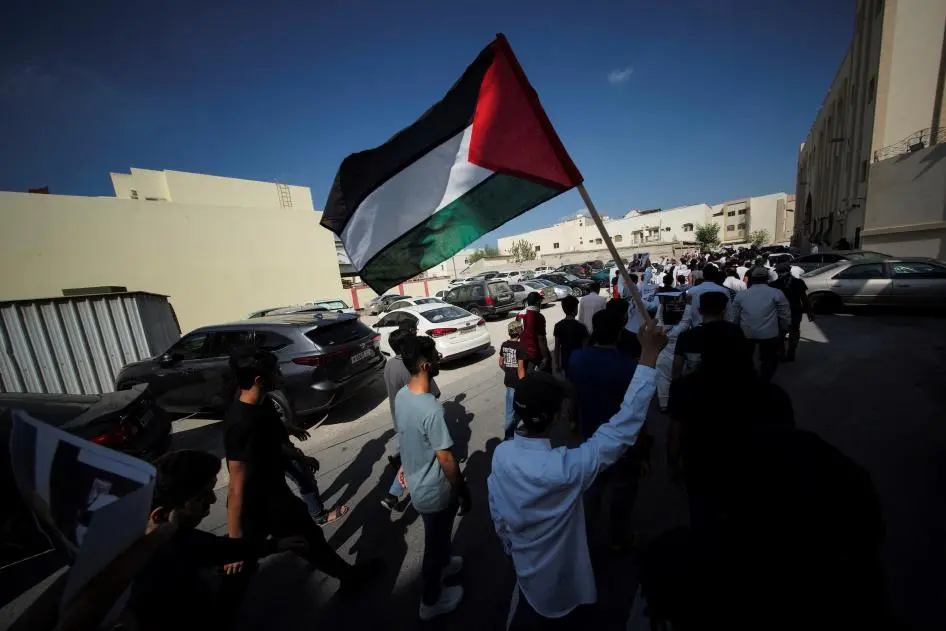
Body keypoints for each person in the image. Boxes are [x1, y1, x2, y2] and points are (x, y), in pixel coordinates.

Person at [488, 322, 666, 628]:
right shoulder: (566, 468)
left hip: (525, 576)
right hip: (562, 589)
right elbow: (621, 430)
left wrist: (512, 550)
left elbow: (499, 517)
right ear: (557, 417)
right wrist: (649, 356)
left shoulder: (501, 455)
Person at [223, 347, 372, 593]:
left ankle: (348, 577)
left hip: (276, 495)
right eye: (275, 370)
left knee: (310, 538)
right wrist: (234, 544)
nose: (280, 374)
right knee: (239, 568)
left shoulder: (263, 405)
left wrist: (300, 457)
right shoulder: (241, 421)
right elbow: (236, 486)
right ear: (259, 379)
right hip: (255, 505)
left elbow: (272, 442)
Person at [125, 450, 308, 631]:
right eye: (201, 497)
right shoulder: (154, 570)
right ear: (160, 516)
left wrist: (275, 545)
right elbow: (210, 548)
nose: (212, 500)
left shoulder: (166, 538)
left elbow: (216, 547)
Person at [396, 335, 472, 620]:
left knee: (439, 540)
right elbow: (447, 458)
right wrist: (463, 491)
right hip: (434, 491)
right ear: (426, 365)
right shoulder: (431, 409)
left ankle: (444, 563)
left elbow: (405, 435)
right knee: (435, 542)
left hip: (418, 484)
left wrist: (405, 464)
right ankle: (431, 601)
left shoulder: (404, 396)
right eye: (436, 356)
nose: (440, 358)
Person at [568, 309, 652, 552]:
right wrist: (643, 450)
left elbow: (573, 396)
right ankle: (618, 538)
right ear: (620, 331)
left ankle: (584, 540)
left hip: (590, 437)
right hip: (623, 443)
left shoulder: (577, 358)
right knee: (623, 491)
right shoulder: (629, 368)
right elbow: (638, 413)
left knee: (593, 490)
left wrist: (574, 422)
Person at [380, 328, 441, 510]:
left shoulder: (390, 364)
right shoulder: (413, 368)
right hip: (417, 420)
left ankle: (392, 494)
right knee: (417, 459)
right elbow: (433, 393)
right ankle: (395, 493)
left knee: (409, 455)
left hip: (399, 418)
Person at [672, 291, 750, 380]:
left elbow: (677, 368)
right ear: (723, 311)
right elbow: (745, 363)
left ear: (699, 311)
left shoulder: (686, 336)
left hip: (695, 388)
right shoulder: (735, 332)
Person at [732, 267, 791, 382]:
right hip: (769, 334)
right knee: (770, 359)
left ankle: (749, 377)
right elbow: (785, 313)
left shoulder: (741, 295)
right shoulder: (776, 293)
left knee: (745, 357)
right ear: (767, 279)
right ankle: (764, 380)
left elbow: (735, 316)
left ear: (751, 279)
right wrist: (784, 328)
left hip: (747, 333)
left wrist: (737, 331)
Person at [769, 262, 815, 362]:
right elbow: (804, 299)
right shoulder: (798, 282)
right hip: (795, 311)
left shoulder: (774, 284)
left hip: (780, 313)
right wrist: (809, 312)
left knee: (780, 334)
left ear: (779, 272)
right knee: (794, 331)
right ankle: (791, 352)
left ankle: (781, 353)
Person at [499, 320, 527, 440]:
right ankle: (513, 435)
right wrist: (524, 384)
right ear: (519, 332)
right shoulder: (520, 347)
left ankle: (508, 435)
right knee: (524, 406)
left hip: (508, 379)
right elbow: (520, 368)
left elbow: (501, 362)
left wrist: (507, 371)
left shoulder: (504, 345)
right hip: (518, 381)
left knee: (509, 410)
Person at [553, 295, 589, 374]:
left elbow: (557, 347)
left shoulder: (558, 325)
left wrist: (556, 364)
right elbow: (585, 347)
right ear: (575, 309)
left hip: (566, 361)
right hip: (579, 361)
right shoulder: (581, 327)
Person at [521, 291, 551, 371]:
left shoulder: (520, 315)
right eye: (540, 302)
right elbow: (541, 338)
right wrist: (545, 357)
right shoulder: (538, 316)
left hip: (522, 352)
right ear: (538, 302)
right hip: (534, 353)